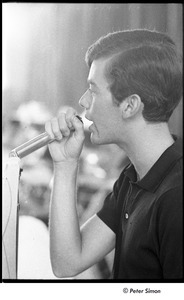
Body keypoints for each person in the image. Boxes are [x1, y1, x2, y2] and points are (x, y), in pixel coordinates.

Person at [45, 29, 183, 280]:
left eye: (93, 90)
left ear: (130, 105)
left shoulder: (176, 198)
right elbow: (67, 263)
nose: (83, 101)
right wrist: (65, 165)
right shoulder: (134, 177)